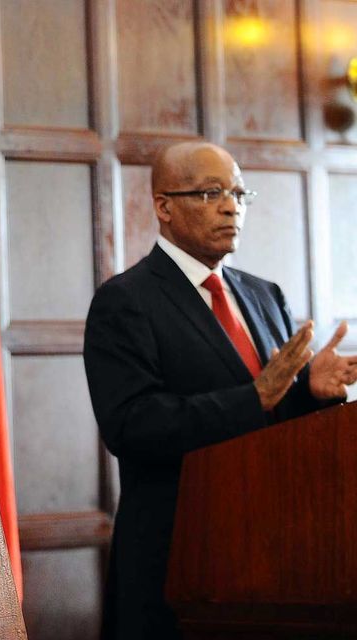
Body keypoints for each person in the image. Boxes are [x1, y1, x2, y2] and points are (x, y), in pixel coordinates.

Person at [83, 141, 357, 639]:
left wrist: (308, 394)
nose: (232, 206)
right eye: (212, 193)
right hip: (180, 552)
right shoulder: (125, 301)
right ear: (164, 206)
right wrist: (255, 396)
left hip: (276, 552)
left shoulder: (262, 293)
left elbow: (270, 417)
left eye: (238, 193)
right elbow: (132, 426)